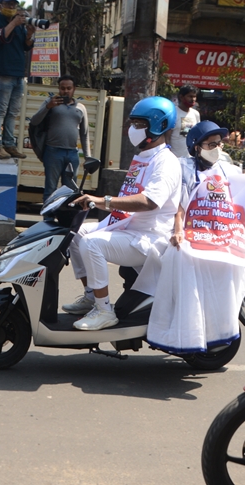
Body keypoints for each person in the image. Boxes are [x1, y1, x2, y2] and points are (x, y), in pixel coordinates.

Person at [63, 97, 181, 331]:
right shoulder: (143, 157)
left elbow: (148, 202)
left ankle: (104, 311)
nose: (132, 129)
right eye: (133, 124)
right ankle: (91, 296)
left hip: (149, 237)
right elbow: (128, 199)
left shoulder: (166, 162)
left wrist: (102, 201)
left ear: (158, 126)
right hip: (129, 227)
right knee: (74, 233)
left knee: (92, 243)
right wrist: (97, 203)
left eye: (139, 124)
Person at [145, 121, 245, 353]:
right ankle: (186, 332)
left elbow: (236, 206)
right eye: (211, 144)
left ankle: (219, 328)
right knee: (182, 256)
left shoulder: (226, 168)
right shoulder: (182, 167)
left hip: (218, 236)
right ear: (196, 146)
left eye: (219, 143)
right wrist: (178, 230)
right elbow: (178, 205)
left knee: (231, 266)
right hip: (188, 232)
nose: (217, 148)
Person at [0, 0, 34, 160]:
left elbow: (26, 46)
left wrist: (29, 33)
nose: (12, 7)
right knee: (0, 110)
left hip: (19, 74)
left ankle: (9, 144)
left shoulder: (19, 24)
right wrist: (14, 23)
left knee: (13, 112)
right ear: (0, 6)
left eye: (14, 4)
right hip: (4, 72)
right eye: (8, 4)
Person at [29, 75, 90, 208]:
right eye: (62, 88)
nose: (65, 91)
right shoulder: (50, 103)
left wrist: (88, 157)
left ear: (74, 89)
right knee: (50, 188)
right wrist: (48, 107)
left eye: (69, 88)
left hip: (72, 154)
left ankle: (65, 220)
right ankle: (48, 220)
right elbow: (34, 122)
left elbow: (84, 134)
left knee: (70, 190)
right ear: (59, 89)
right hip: (53, 152)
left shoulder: (81, 107)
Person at [168, 85, 200, 158]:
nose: (193, 99)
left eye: (194, 97)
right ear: (181, 97)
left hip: (190, 159)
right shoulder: (173, 113)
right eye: (190, 96)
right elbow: (167, 136)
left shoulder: (195, 114)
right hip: (174, 158)